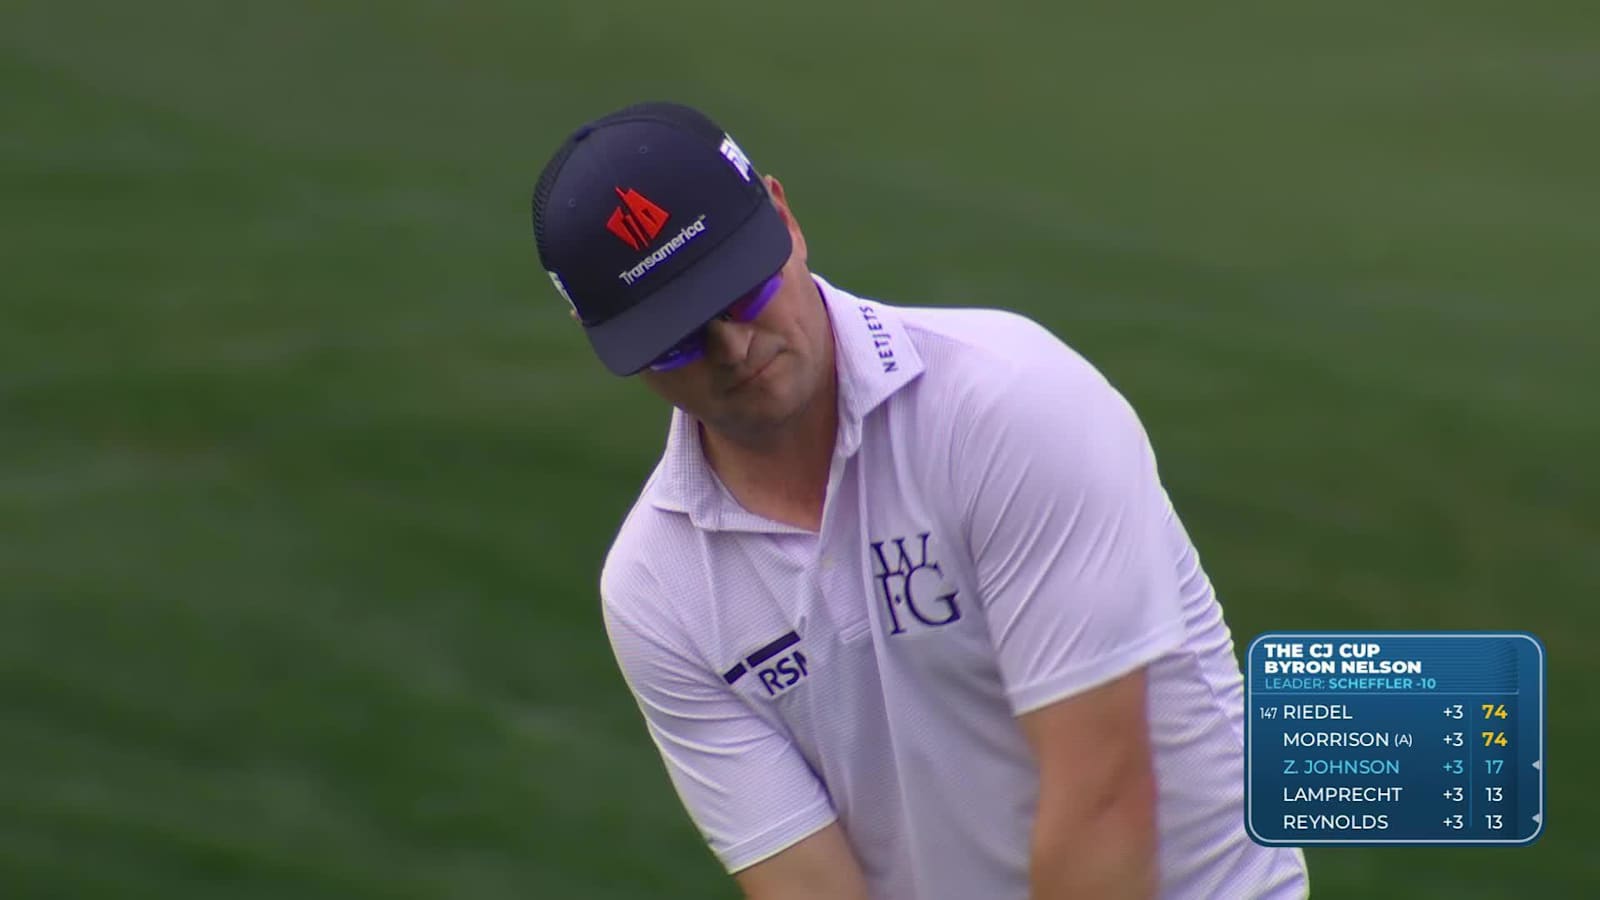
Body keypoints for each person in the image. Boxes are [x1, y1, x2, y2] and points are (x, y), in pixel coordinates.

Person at [531, 101, 1311, 900]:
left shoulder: (1011, 405)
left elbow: (1103, 795)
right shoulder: (657, 589)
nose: (735, 347)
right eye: (679, 338)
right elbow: (807, 886)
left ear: (785, 218)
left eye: (744, 293)